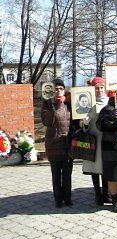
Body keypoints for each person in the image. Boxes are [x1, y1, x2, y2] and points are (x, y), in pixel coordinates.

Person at [41, 78, 73, 208]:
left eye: (61, 88)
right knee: (56, 175)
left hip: (67, 145)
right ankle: (58, 199)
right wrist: (54, 107)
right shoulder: (48, 105)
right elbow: (47, 122)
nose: (58, 91)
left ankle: (67, 198)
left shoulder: (70, 104)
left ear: (64, 90)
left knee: (67, 175)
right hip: (54, 145)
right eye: (56, 89)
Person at [82, 77, 110, 206]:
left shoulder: (110, 102)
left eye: (101, 88)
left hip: (106, 138)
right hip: (93, 138)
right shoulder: (88, 103)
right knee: (94, 166)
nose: (99, 90)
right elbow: (83, 124)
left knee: (105, 166)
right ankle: (97, 194)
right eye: (96, 88)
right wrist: (84, 122)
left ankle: (106, 193)